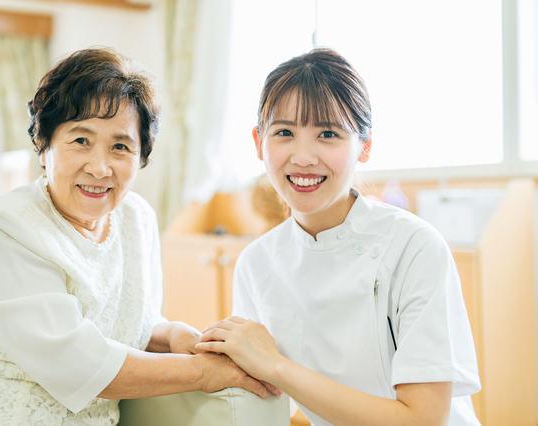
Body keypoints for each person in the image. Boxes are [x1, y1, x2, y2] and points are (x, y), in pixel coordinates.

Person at [0, 48, 276, 426]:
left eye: (120, 146)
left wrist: (174, 336)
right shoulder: (9, 227)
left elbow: (130, 323)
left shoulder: (136, 219)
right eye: (81, 140)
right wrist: (202, 372)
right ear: (44, 146)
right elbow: (77, 365)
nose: (99, 168)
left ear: (140, 157)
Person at [196, 49, 481, 425]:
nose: (303, 157)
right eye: (284, 133)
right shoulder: (257, 262)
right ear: (258, 141)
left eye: (327, 134)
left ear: (365, 145)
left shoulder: (414, 247)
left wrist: (277, 367)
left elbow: (423, 419)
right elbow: (260, 395)